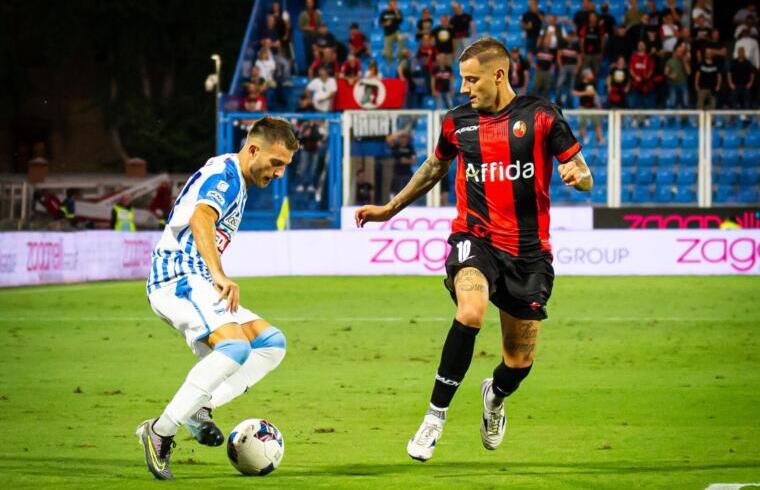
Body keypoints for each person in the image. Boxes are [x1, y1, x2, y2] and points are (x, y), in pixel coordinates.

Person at [354, 38, 593, 462]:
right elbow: (433, 168)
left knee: (517, 363)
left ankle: (495, 396)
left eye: (472, 79)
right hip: (475, 238)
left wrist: (578, 174)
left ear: (499, 75)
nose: (464, 88)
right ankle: (434, 417)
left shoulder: (541, 116)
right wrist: (390, 209)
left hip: (529, 253)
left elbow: (583, 172)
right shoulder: (456, 123)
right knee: (470, 311)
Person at [137, 117, 299, 480]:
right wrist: (219, 275)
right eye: (276, 163)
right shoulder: (226, 176)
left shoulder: (235, 179)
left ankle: (200, 406)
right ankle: (160, 432)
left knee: (270, 343)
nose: (278, 173)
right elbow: (201, 218)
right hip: (178, 276)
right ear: (253, 149)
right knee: (235, 348)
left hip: (197, 278)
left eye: (284, 167)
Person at [385, 130, 416, 198]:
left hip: (406, 173)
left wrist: (406, 161)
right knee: (394, 190)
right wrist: (399, 133)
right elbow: (388, 139)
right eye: (401, 137)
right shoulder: (396, 146)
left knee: (407, 192)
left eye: (404, 137)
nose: (403, 139)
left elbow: (414, 160)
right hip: (397, 172)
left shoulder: (410, 147)